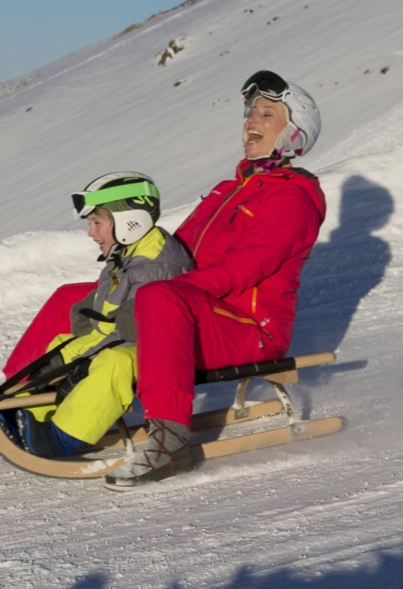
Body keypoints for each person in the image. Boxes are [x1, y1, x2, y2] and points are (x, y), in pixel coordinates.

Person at [103, 70, 326, 488]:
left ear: (292, 132)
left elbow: (246, 267)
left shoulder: (291, 197)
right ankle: (22, 402)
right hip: (200, 310)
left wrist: (164, 292)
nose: (251, 121)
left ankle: (170, 441)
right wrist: (125, 273)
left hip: (249, 328)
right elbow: (176, 252)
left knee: (157, 298)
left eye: (266, 113)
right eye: (250, 113)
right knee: (78, 297)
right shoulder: (229, 189)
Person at [4, 172, 194, 459]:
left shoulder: (157, 265)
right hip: (121, 339)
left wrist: (83, 358)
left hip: (154, 352)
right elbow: (113, 308)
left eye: (97, 223)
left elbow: (134, 331)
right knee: (62, 344)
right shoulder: (129, 253)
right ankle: (24, 412)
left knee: (110, 362)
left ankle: (63, 437)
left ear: (130, 221)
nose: (91, 233)